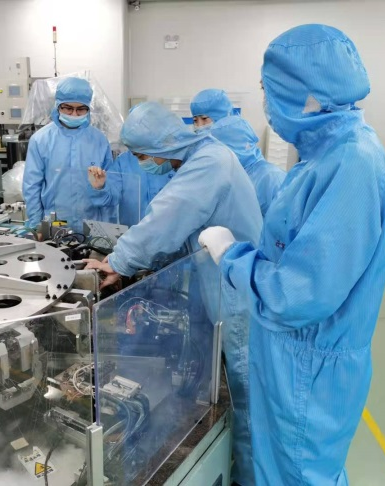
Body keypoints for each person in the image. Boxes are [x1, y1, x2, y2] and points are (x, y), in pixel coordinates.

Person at [199, 24, 385, 485]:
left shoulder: (351, 162)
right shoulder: (324, 154)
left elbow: (299, 293)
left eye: (267, 89)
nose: (265, 103)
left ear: (302, 91)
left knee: (298, 477)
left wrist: (231, 256)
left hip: (308, 370)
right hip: (294, 359)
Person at [85, 101, 262, 486]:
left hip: (236, 299)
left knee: (245, 399)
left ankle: (247, 477)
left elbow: (167, 217)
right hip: (221, 289)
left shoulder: (209, 163)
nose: (141, 163)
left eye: (141, 156)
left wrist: (119, 262)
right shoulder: (200, 157)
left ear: (161, 145)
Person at [23, 77, 119, 231]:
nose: (74, 114)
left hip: (92, 224)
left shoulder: (99, 140)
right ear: (58, 105)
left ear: (88, 108)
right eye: (68, 108)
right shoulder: (40, 140)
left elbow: (109, 186)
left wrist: (107, 229)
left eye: (81, 109)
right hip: (55, 224)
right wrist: (36, 225)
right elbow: (32, 186)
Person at [191, 89, 285, 216]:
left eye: (204, 119)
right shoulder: (222, 175)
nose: (199, 126)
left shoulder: (270, 177)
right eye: (195, 120)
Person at [114, 149, 174, 227]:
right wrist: (101, 186)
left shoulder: (174, 157)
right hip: (133, 229)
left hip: (169, 227)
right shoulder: (123, 160)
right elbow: (110, 194)